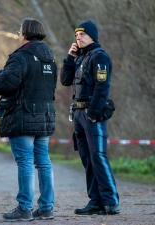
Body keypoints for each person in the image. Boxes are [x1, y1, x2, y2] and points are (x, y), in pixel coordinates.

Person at [0, 18, 57, 222]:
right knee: (43, 162)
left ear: (25, 33)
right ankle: (46, 208)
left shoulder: (21, 57)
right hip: (45, 116)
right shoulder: (50, 58)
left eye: (20, 31)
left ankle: (25, 208)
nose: (19, 35)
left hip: (23, 116)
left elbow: (5, 85)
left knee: (25, 162)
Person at [60, 20, 120, 215]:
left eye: (82, 34)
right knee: (87, 158)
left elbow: (103, 88)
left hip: (91, 115)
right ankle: (95, 201)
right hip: (78, 115)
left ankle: (111, 202)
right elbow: (65, 80)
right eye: (76, 35)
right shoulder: (80, 58)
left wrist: (93, 114)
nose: (78, 37)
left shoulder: (99, 57)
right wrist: (69, 58)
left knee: (98, 157)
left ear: (92, 36)